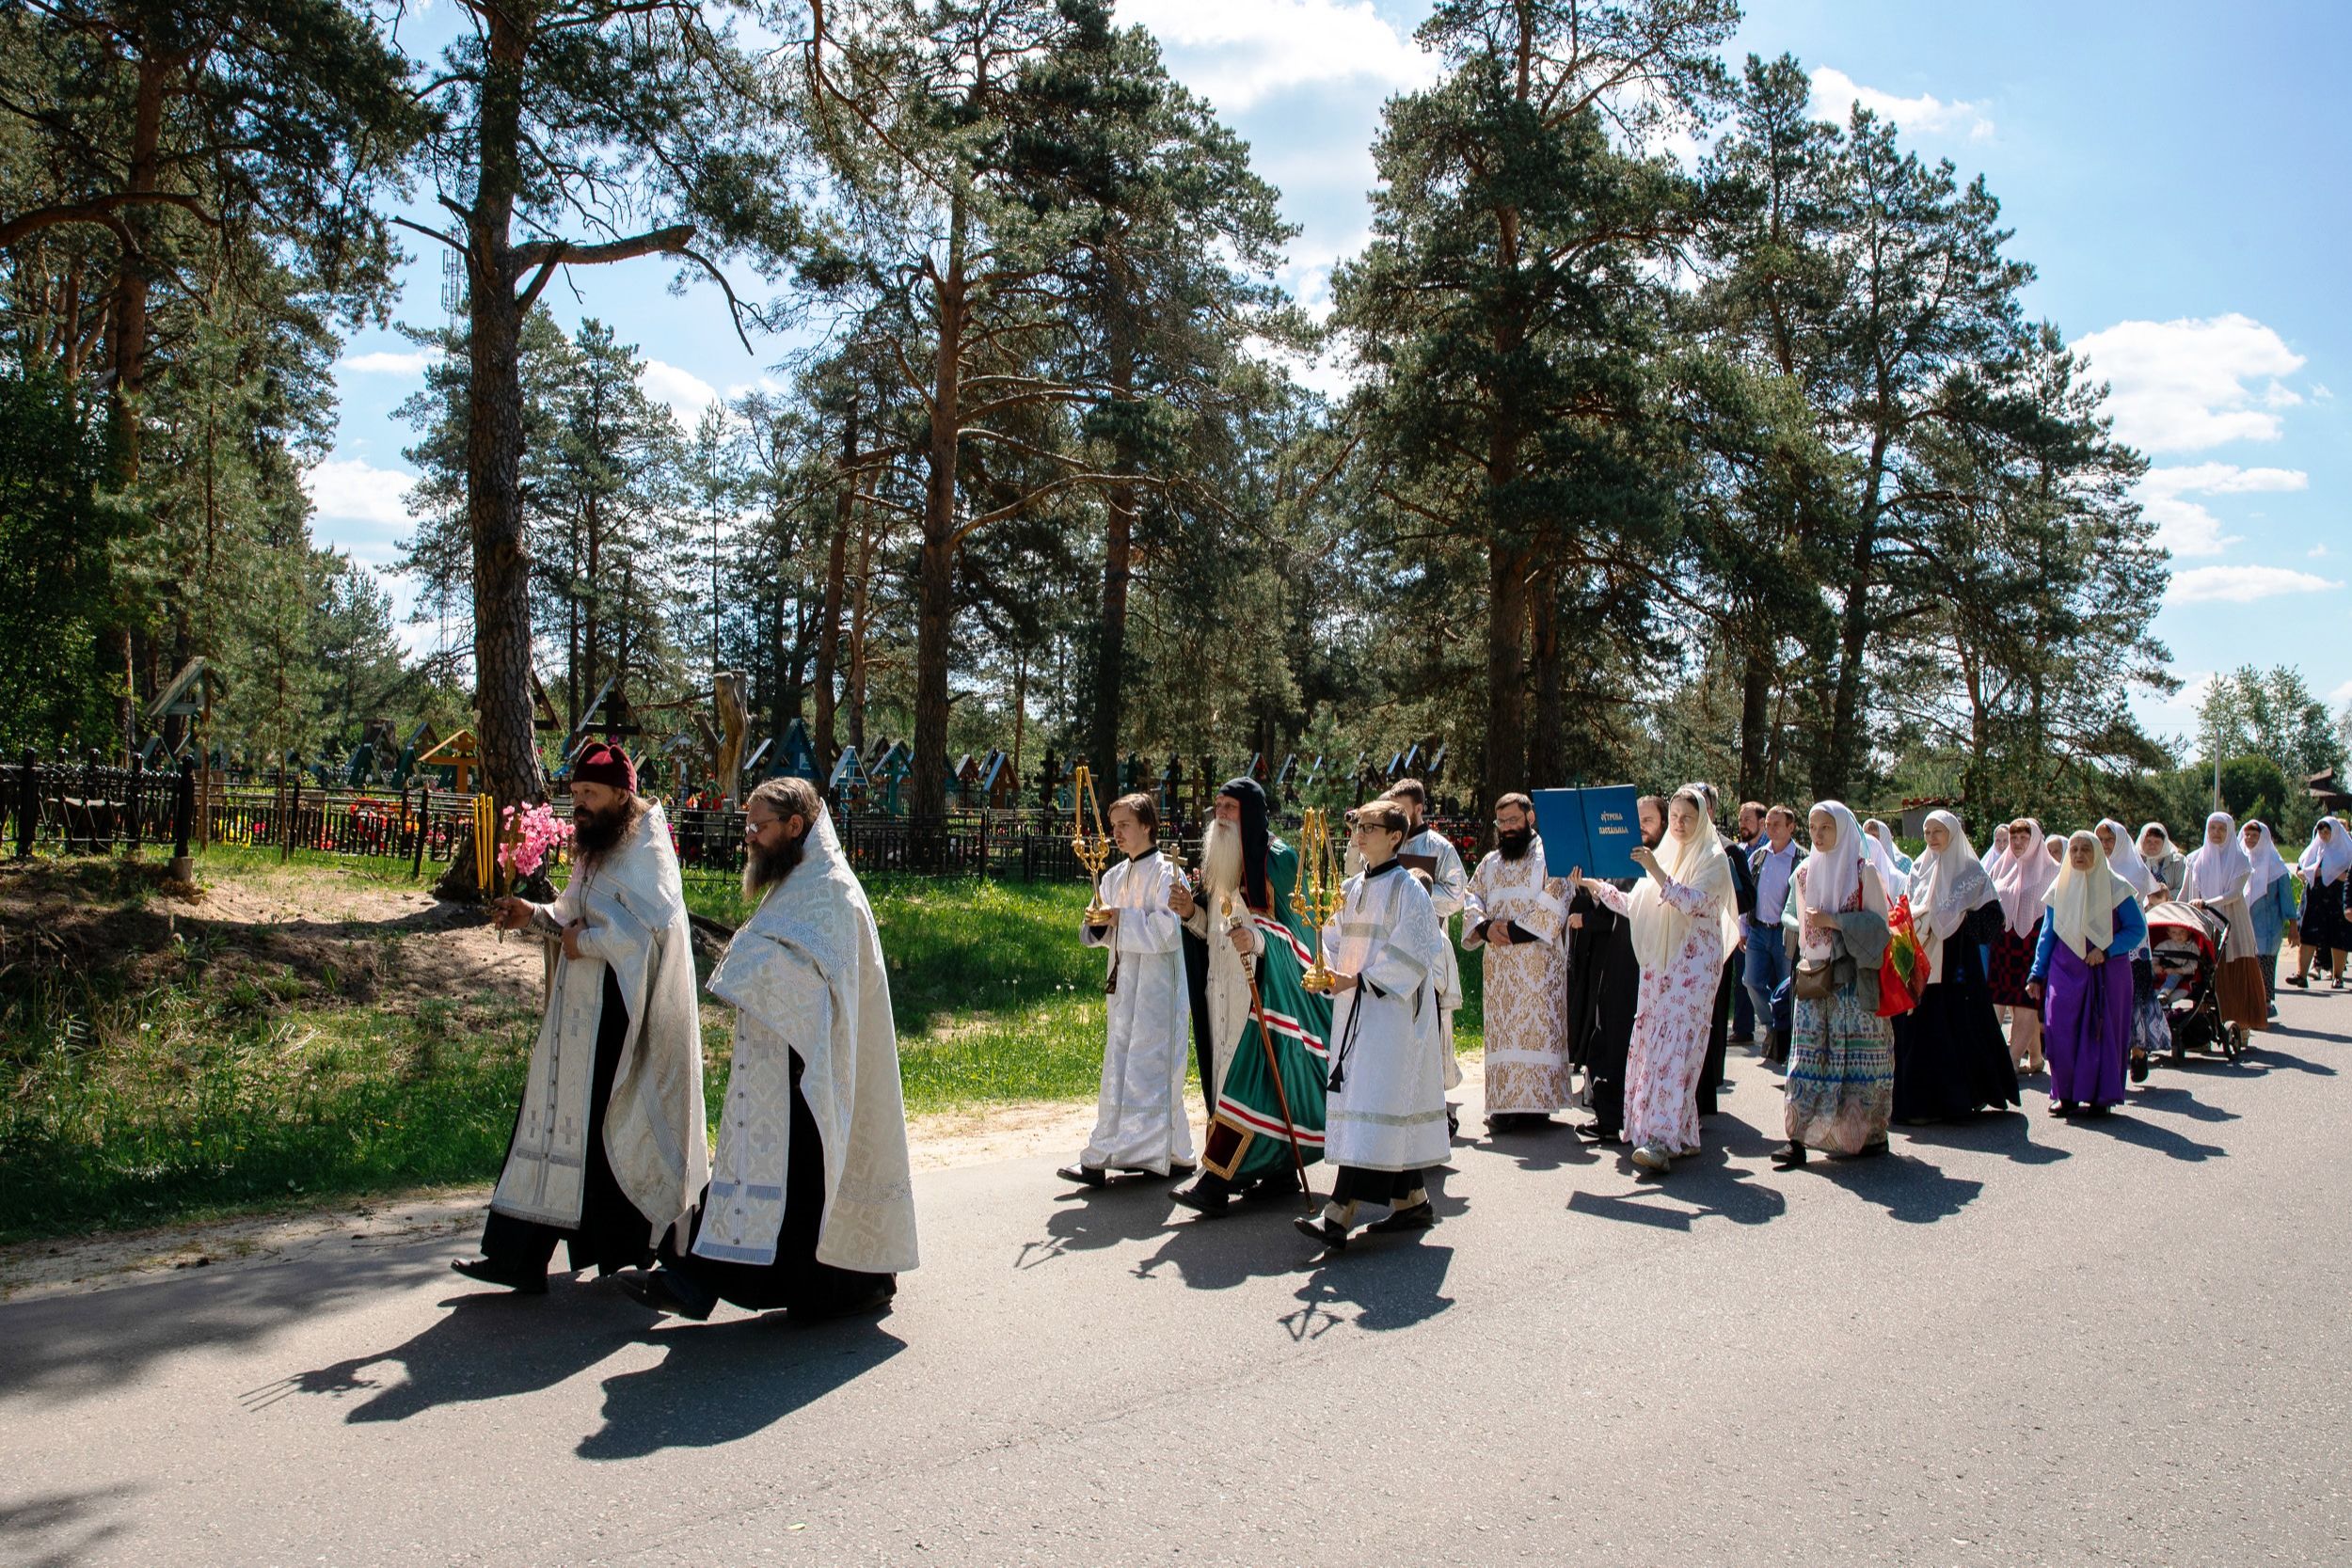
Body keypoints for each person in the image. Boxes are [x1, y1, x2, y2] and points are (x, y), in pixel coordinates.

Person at [621, 778, 917, 1321]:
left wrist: (749, 966)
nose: (750, 837)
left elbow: (828, 982)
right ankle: (700, 1278)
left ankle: (706, 1281)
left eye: (759, 827)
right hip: (779, 1060)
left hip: (813, 1065)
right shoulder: (795, 880)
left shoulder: (831, 889)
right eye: (747, 826)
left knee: (802, 1178)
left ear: (795, 827)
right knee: (769, 1172)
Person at [452, 744, 707, 1295]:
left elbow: (648, 935)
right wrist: (532, 915)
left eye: (590, 795)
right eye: (576, 796)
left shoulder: (647, 847)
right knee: (545, 1122)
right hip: (575, 1021)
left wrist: (584, 941)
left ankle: (635, 1248)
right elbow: (571, 911)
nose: (581, 806)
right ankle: (515, 1257)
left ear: (621, 793)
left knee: (609, 1125)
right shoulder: (595, 846)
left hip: (622, 1018)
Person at [1169, 778, 1330, 1217]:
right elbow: (1214, 934)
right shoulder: (1220, 858)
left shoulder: (1279, 861)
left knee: (1245, 1083)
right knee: (1227, 1081)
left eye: (1230, 807)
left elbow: (1300, 941)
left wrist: (1258, 941)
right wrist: (1191, 914)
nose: (1220, 814)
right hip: (1221, 987)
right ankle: (1275, 1171)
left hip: (1264, 993)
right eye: (1217, 805)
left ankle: (1217, 1183)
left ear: (1251, 813)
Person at [1296, 800, 1453, 1250]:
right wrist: (1326, 969)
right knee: (1380, 1107)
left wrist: (1359, 978)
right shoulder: (1349, 887)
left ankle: (1338, 1214)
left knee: (1375, 1104)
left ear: (1395, 837)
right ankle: (1412, 1200)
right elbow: (1329, 934)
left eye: (1371, 827)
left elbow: (1417, 951)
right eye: (1357, 826)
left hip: (1391, 1016)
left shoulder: (1410, 891)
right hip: (1353, 1011)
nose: (1360, 834)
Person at [1573, 786, 1733, 1176]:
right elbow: (1636, 906)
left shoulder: (1713, 859)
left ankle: (1660, 1141)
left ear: (1702, 821)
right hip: (1659, 967)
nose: (1679, 824)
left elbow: (1693, 902)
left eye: (1686, 818)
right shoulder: (1664, 857)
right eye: (1675, 816)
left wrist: (1656, 871)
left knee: (1675, 1048)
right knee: (1656, 1046)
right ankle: (1684, 1132)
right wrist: (1596, 886)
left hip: (1692, 965)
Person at [1059, 792, 1196, 1188]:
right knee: (1119, 1063)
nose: (1116, 833)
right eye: (1113, 825)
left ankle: (1148, 1155)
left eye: (1124, 826)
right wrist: (1101, 924)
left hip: (1157, 987)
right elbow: (1097, 931)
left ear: (1147, 827)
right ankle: (1166, 1153)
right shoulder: (1113, 876)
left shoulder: (1169, 873)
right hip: (1123, 984)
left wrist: (1120, 918)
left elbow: (1168, 932)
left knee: (1150, 1067)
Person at [1772, 801, 1895, 1167]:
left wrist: (1836, 921)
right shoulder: (1805, 871)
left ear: (1843, 828)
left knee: (1859, 1064)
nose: (1819, 834)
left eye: (1826, 827)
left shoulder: (1863, 872)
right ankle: (1797, 1138)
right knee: (1806, 1060)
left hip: (1854, 985)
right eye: (1813, 827)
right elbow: (1792, 914)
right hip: (1815, 980)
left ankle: (1866, 1136)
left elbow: (1880, 928)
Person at [1891, 810, 2019, 1122]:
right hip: (1921, 962)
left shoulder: (1971, 871)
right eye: (1928, 832)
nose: (1932, 838)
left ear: (1952, 833)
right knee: (1919, 1030)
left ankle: (1960, 1098)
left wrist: (1960, 921)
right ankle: (1918, 1103)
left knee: (1956, 1026)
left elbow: (1993, 920)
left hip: (1957, 966)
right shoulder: (1919, 867)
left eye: (1938, 832)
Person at [1462, 793, 1571, 1132]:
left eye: (1514, 820)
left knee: (1537, 1032)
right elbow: (1471, 896)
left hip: (1538, 965)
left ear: (1531, 817)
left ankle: (1536, 1108)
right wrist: (1484, 927)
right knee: (1503, 1033)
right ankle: (1503, 1106)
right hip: (1500, 970)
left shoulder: (1550, 856)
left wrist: (1508, 930)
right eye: (1502, 822)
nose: (1508, 828)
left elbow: (1557, 896)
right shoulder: (1490, 862)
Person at [2027, 831, 2148, 1117]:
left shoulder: (2115, 887)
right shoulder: (2061, 887)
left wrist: (2106, 949)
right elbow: (2048, 934)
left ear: (2097, 853)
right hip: (2065, 971)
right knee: (2060, 1029)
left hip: (2106, 972)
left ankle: (2100, 1096)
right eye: (2074, 850)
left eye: (2086, 850)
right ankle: (2065, 1095)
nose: (2079, 855)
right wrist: (2036, 974)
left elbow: (2136, 929)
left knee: (2100, 1032)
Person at [1565, 796, 1661, 1145]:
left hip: (1651, 961)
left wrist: (1591, 915)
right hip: (1618, 958)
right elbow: (1613, 902)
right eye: (1638, 821)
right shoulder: (1623, 858)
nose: (1642, 828)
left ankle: (1641, 1118)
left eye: (1649, 820)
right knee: (1608, 1033)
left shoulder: (1663, 863)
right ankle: (1608, 1117)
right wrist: (1588, 887)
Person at [1384, 779, 1468, 1131]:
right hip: (1388, 947)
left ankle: (1435, 1108)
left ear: (1418, 808)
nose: (1396, 817)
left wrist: (1416, 897)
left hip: (1428, 949)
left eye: (1402, 810)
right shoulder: (1385, 843)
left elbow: (1457, 893)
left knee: (1429, 1027)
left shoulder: (1440, 847)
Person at [2183, 811, 2270, 1036]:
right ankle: (2201, 1029)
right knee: (2203, 974)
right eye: (2212, 828)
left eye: (2222, 829)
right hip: (2202, 922)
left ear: (2230, 831)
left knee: (2233, 970)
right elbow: (2184, 893)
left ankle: (2240, 1023)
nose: (2216, 833)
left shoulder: (2239, 860)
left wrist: (2207, 902)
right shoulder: (2195, 860)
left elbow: (2234, 893)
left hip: (2231, 921)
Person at [2096, 817, 2167, 1082]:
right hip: (2102, 940)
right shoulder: (2093, 866)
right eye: (2101, 840)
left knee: (2136, 998)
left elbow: (2155, 895)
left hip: (2132, 943)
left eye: (2109, 840)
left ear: (2121, 841)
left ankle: (2138, 1051)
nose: (2104, 845)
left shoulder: (2134, 870)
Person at [1989, 818, 2056, 1077]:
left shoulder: (2052, 871)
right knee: (1999, 999)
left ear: (2036, 839)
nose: (2017, 843)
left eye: (2023, 838)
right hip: (2004, 942)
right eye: (2014, 838)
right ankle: (2036, 1058)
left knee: (2026, 1002)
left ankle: (2011, 1061)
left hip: (2034, 943)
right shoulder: (2001, 867)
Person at [1744, 805, 1804, 1065]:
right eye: (1768, 824)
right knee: (1751, 981)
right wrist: (1743, 929)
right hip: (1758, 930)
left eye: (1777, 824)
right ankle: (1772, 1026)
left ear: (1791, 828)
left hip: (1785, 934)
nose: (1770, 829)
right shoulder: (1758, 856)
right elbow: (1747, 894)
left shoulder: (1801, 859)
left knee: (1786, 986)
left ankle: (1787, 1039)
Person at [2238, 819, 2296, 1018]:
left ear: (2263, 838)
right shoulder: (2239, 861)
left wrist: (2293, 926)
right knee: (2248, 963)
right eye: (2247, 835)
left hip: (2269, 925)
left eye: (2255, 836)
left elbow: (2287, 897)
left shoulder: (2276, 866)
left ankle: (2266, 1002)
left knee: (2266, 962)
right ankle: (2250, 1001)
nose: (2250, 839)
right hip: (2246, 923)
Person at [2287, 816, 2349, 990]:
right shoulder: (2313, 850)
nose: (2324, 834)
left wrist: (2329, 872)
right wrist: (2314, 872)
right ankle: (2301, 975)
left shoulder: (2346, 851)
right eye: (2321, 831)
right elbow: (2300, 871)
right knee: (2308, 935)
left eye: (2327, 831)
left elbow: (2348, 876)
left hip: (2337, 898)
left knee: (2338, 937)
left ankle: (2337, 976)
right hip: (2314, 898)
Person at [1726, 800, 1767, 1044]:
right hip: (1742, 925)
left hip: (1766, 924)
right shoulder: (1738, 850)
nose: (1742, 824)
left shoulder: (1770, 850)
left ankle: (1775, 1028)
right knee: (1742, 979)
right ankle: (1743, 1028)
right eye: (1741, 820)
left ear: (1761, 823)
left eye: (1748, 820)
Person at [2137, 822, 2185, 898]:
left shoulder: (2178, 861)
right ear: (2141, 842)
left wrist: (2160, 897)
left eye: (2157, 842)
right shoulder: (2135, 861)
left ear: (2164, 843)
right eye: (2148, 841)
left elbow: (2183, 890)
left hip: (2170, 907)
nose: (2152, 845)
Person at [1865, 818, 1914, 883]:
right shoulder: (1861, 865)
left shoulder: (1904, 863)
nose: (1869, 839)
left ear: (1884, 837)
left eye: (1874, 835)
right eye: (1866, 835)